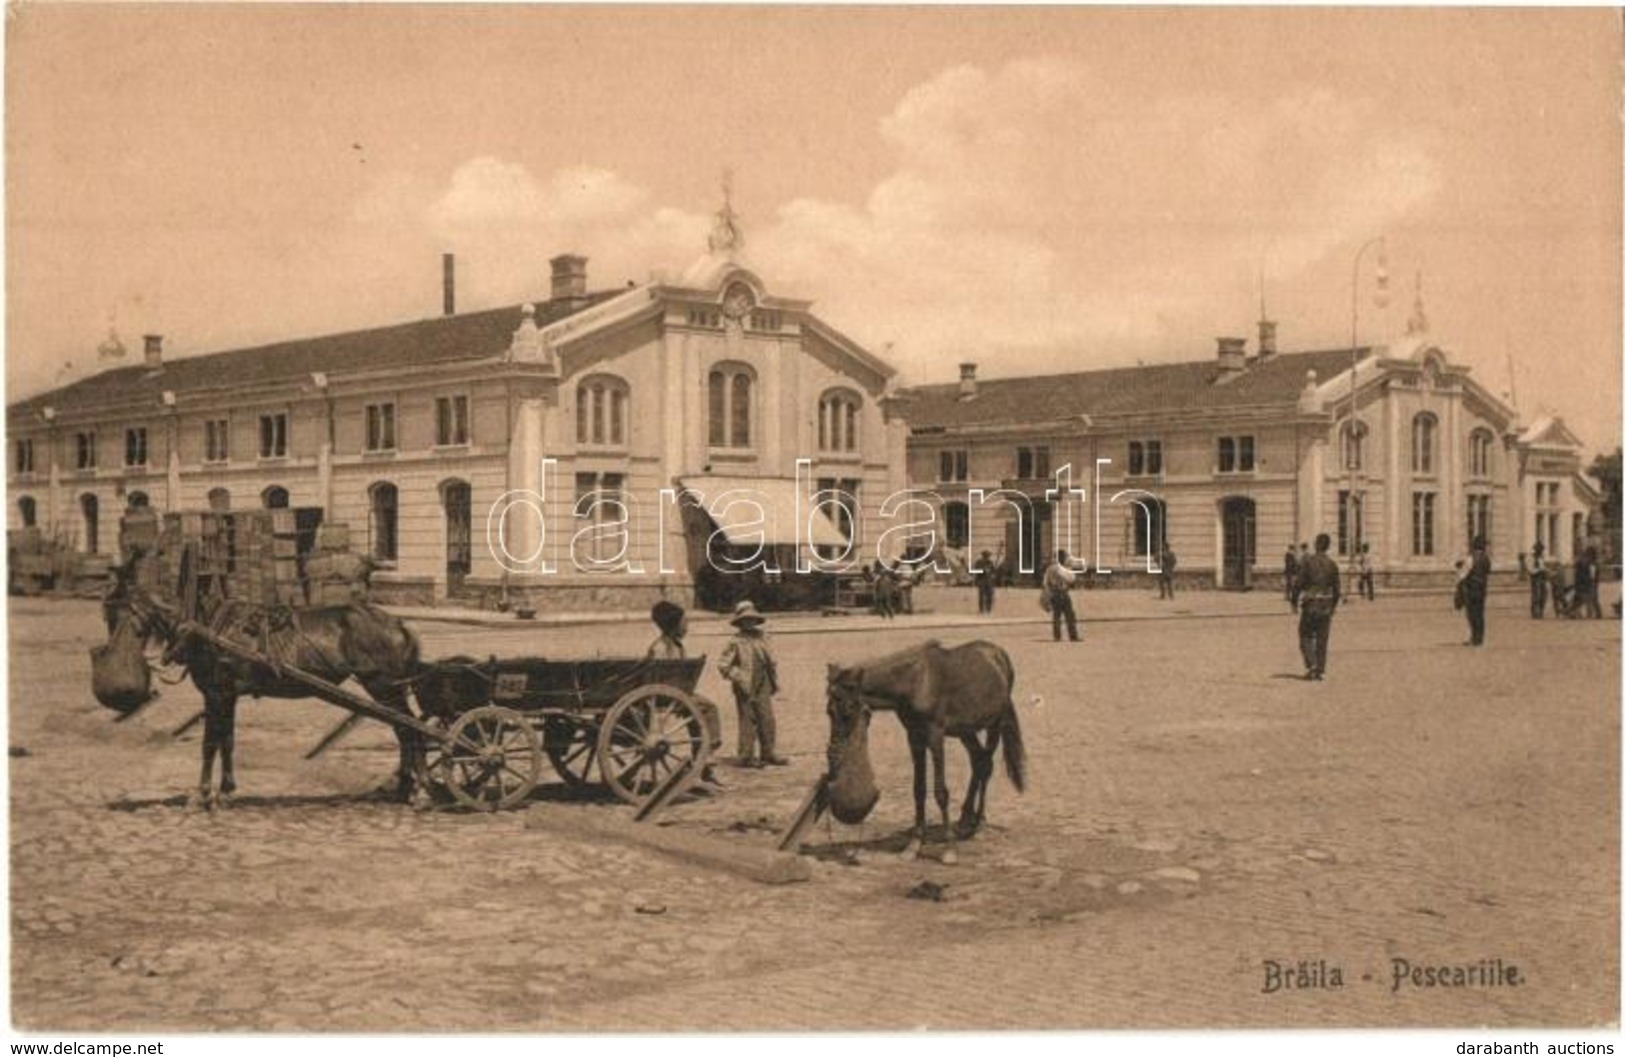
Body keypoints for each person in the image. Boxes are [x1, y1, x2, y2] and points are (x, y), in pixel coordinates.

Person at [646, 600, 723, 786]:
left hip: (676, 694)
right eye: (684, 622)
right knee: (709, 708)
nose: (687, 626)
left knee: (698, 715)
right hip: (668, 695)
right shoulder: (661, 649)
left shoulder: (673, 646)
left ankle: (704, 759)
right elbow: (661, 678)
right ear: (674, 625)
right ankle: (707, 754)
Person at [718, 600, 787, 767]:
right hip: (745, 684)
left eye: (751, 619)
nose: (749, 622)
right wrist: (738, 676)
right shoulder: (735, 641)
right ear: (739, 622)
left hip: (763, 682)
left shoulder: (763, 637)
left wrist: (772, 677)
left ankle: (768, 752)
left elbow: (770, 659)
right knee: (748, 719)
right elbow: (723, 664)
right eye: (745, 619)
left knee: (767, 718)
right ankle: (746, 756)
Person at [1296, 533, 1341, 680]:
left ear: (1316, 545)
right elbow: (1337, 590)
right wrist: (1333, 606)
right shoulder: (1332, 564)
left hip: (1311, 604)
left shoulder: (1308, 562)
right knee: (1322, 638)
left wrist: (1293, 600)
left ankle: (1312, 664)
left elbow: (1299, 583)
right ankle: (1320, 669)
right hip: (1326, 605)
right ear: (1328, 547)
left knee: (1305, 635)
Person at [1043, 549, 1080, 642]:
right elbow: (1071, 579)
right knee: (1069, 615)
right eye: (1064, 557)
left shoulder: (1050, 569)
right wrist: (1070, 568)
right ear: (1061, 558)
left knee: (1056, 616)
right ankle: (1073, 635)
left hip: (1054, 593)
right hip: (1062, 593)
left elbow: (1045, 582)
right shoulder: (1061, 568)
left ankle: (1057, 636)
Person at [1461, 535, 1492, 646]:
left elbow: (1463, 574)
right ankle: (1480, 638)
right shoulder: (1486, 558)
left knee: (1471, 614)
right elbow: (1488, 571)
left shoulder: (1470, 558)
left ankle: (1474, 637)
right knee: (1480, 614)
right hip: (1482, 589)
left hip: (1471, 589)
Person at [1574, 546, 1602, 619]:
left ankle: (1595, 613)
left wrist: (1594, 582)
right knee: (1588, 598)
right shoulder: (1586, 563)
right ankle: (1590, 613)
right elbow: (1582, 574)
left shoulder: (1592, 564)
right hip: (1587, 583)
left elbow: (1595, 575)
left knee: (1592, 598)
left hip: (1590, 583)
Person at [1528, 542, 1549, 619]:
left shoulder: (1541, 558)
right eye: (1539, 550)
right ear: (1535, 550)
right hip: (1535, 578)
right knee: (1536, 596)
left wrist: (1546, 570)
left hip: (1542, 578)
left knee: (1544, 595)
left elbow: (1543, 566)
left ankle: (1541, 611)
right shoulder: (1531, 558)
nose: (1541, 551)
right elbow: (1530, 570)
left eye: (1541, 550)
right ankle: (1535, 613)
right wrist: (1539, 570)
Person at [975, 549, 997, 614]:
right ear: (983, 556)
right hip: (982, 581)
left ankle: (988, 609)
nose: (987, 557)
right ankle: (981, 610)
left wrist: (993, 575)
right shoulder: (979, 562)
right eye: (986, 556)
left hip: (989, 581)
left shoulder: (990, 562)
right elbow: (977, 571)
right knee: (981, 596)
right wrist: (983, 570)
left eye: (988, 556)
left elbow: (994, 571)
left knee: (989, 596)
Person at [1285, 544, 1303, 613]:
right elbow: (1290, 565)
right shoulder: (1289, 555)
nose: (1293, 551)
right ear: (1290, 549)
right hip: (1291, 573)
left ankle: (1288, 596)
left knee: (1290, 585)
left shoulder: (1290, 555)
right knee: (1291, 586)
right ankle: (1289, 597)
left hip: (1290, 573)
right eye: (1292, 549)